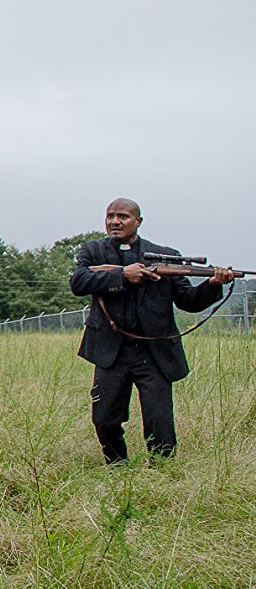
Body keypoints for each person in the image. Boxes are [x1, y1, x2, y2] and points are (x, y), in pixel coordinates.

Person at [69, 198, 233, 463]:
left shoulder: (165, 254)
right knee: (105, 419)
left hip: (153, 352)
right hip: (111, 351)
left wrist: (213, 284)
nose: (115, 221)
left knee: (160, 422)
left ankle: (163, 473)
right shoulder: (93, 251)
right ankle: (117, 466)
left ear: (138, 221)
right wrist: (123, 275)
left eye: (122, 216)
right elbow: (79, 282)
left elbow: (188, 301)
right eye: (110, 216)